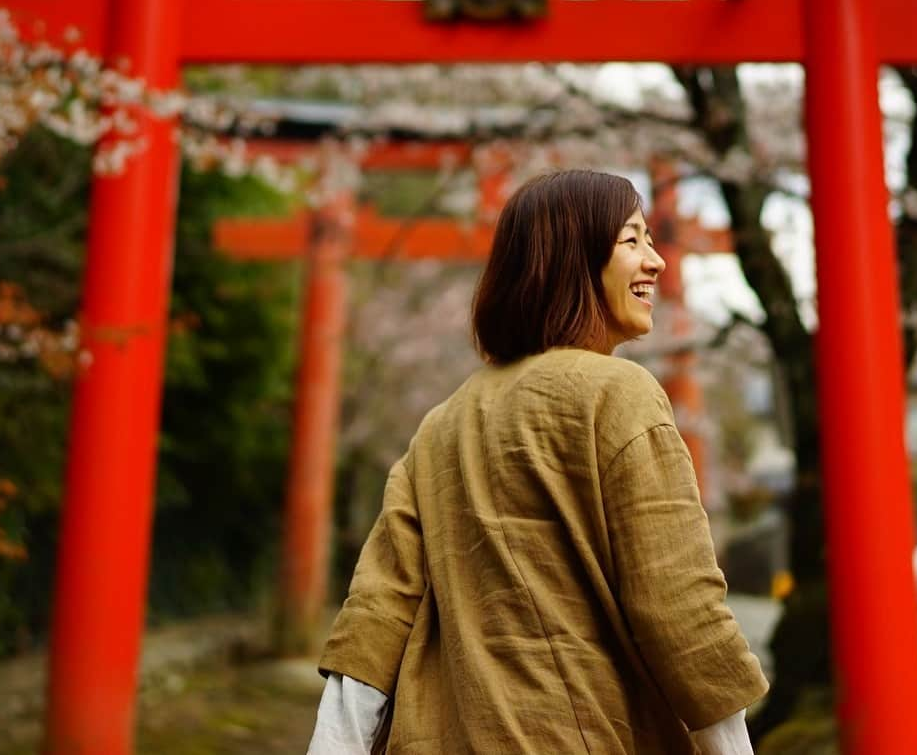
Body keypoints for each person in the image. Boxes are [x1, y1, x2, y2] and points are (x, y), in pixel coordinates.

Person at [307, 170, 768, 754]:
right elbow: (677, 602)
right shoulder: (618, 393)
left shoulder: (440, 426)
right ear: (571, 256)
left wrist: (332, 747)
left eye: (651, 240)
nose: (656, 261)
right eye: (632, 240)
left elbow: (377, 610)